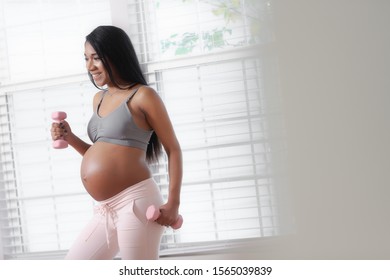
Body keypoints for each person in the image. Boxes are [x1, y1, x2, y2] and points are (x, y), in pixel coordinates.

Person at [50, 25, 182, 260]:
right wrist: (70, 138)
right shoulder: (99, 98)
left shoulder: (143, 96)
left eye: (96, 58)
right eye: (86, 59)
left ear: (116, 55)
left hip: (136, 203)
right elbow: (104, 153)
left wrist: (173, 204)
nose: (90, 67)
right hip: (105, 209)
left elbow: (173, 149)